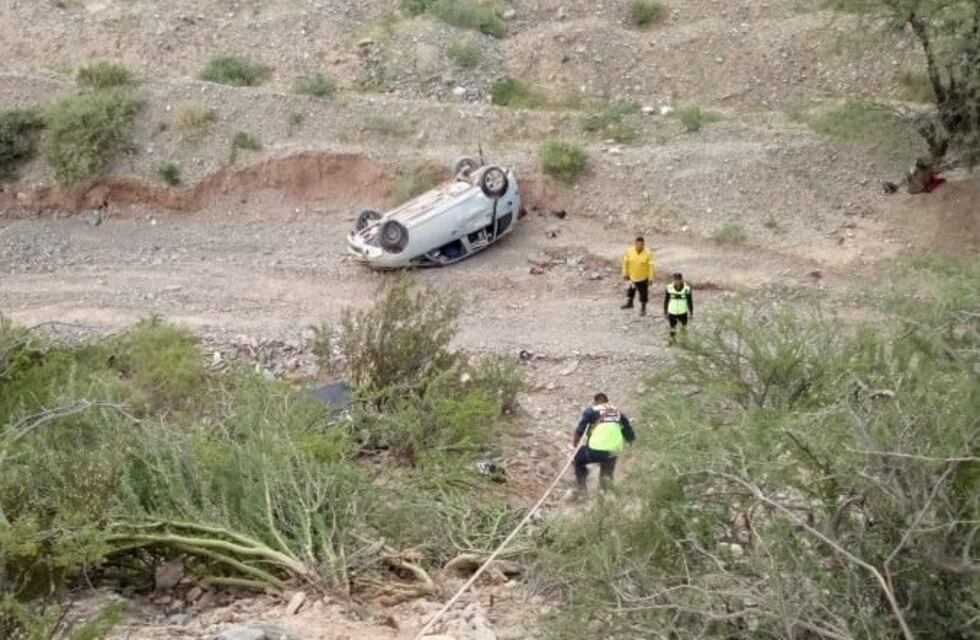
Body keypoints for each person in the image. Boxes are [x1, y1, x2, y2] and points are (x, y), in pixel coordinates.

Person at [572, 393, 636, 498]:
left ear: (596, 401)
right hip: (613, 451)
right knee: (606, 475)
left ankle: (582, 491)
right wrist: (630, 444)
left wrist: (575, 444)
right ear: (607, 401)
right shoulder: (618, 413)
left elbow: (580, 430)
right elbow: (629, 433)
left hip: (595, 450)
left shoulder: (591, 411)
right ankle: (605, 496)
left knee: (578, 460)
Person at [621, 236, 655, 316]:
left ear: (644, 245)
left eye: (642, 245)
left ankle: (643, 309)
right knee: (630, 290)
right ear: (635, 244)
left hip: (643, 278)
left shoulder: (648, 253)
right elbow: (625, 263)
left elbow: (651, 267)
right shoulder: (629, 252)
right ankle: (630, 303)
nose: (640, 246)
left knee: (643, 294)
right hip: (632, 277)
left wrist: (650, 278)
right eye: (638, 244)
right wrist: (625, 274)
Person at [664, 272, 693, 343]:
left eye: (679, 280)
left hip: (683, 311)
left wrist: (691, 312)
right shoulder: (669, 288)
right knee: (672, 327)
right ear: (673, 280)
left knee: (684, 327)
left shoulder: (687, 289)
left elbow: (690, 301)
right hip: (672, 311)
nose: (677, 281)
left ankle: (684, 341)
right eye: (675, 280)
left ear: (681, 280)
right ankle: (672, 340)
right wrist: (665, 311)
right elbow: (666, 300)